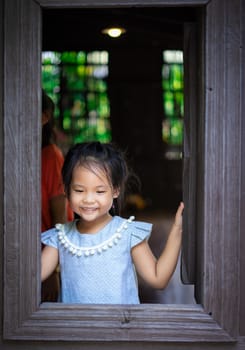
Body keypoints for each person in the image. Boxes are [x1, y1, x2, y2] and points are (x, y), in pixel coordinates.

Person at [41, 141, 184, 304]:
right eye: (79, 190)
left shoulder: (126, 233)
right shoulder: (61, 238)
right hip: (75, 328)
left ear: (115, 190)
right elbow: (31, 277)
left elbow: (158, 278)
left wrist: (177, 230)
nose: (88, 199)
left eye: (99, 191)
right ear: (66, 190)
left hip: (121, 328)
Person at [41, 89, 73, 302]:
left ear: (45, 118)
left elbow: (59, 218)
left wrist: (53, 269)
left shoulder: (51, 156)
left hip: (45, 254)